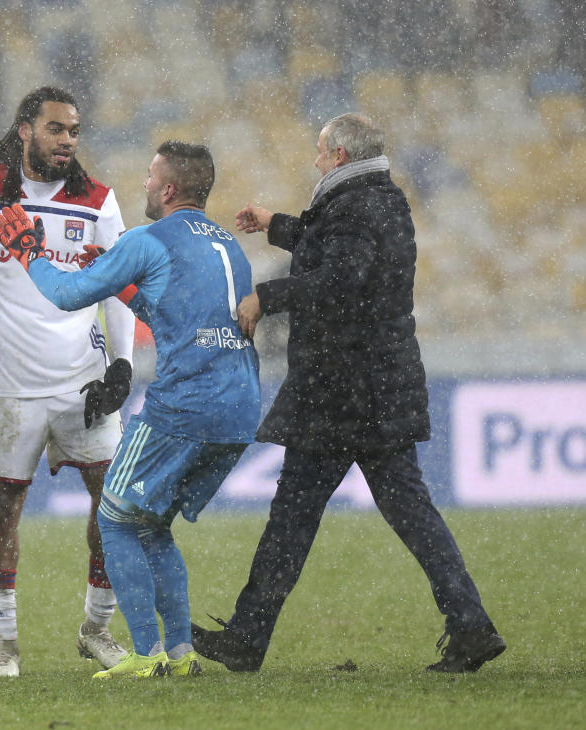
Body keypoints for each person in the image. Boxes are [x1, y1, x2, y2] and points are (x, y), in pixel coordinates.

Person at [191, 112, 506, 674]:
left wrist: (267, 295)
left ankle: (247, 637)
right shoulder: (374, 199)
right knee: (406, 515)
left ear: (338, 155)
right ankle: (471, 625)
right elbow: (332, 248)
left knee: (293, 519)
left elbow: (339, 279)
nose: (314, 159)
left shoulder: (356, 206)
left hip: (345, 392)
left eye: (319, 151)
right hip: (374, 388)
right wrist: (277, 224)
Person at [0, 140, 261, 678]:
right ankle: (181, 655)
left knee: (115, 519)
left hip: (185, 405)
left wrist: (29, 253)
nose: (142, 184)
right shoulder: (228, 245)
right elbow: (178, 319)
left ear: (167, 188)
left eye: (149, 175)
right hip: (240, 406)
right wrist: (129, 292)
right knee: (152, 524)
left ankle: (145, 656)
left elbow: (68, 295)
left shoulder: (147, 238)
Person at [0, 86, 136, 677]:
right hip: (7, 387)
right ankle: (4, 645)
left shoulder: (98, 201)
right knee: (2, 512)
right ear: (25, 129)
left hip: (83, 380)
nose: (67, 142)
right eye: (56, 129)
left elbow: (123, 287)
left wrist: (122, 366)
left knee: (114, 505)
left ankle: (96, 630)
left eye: (74, 131)